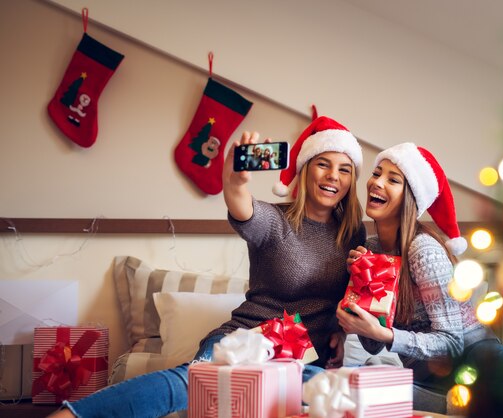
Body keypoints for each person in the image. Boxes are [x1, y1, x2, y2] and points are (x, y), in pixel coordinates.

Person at [49, 114, 366, 418]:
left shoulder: (353, 232)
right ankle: (72, 415)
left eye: (344, 169)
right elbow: (241, 205)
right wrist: (234, 178)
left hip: (305, 359)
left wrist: (338, 328)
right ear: (305, 169)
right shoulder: (275, 221)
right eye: (322, 164)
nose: (332, 176)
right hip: (248, 338)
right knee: (197, 382)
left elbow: (347, 295)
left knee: (330, 400)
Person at [336, 142, 503, 418]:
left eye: (393, 179)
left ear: (411, 197)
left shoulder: (422, 249)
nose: (376, 183)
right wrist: (359, 300)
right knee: (362, 385)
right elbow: (373, 344)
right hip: (427, 376)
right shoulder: (372, 249)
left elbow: (451, 341)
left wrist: (386, 335)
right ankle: (462, 406)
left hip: (476, 359)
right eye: (376, 173)